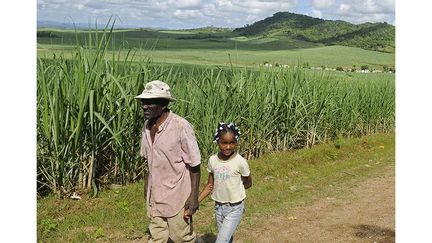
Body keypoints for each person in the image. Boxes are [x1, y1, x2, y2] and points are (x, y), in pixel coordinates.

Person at [135, 80, 201, 243]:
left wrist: (193, 196)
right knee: (157, 237)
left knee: (180, 237)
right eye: (143, 102)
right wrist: (146, 187)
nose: (144, 106)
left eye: (150, 102)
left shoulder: (180, 126)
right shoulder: (146, 126)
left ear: (163, 104)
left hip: (177, 194)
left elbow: (194, 165)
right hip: (154, 194)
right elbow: (147, 162)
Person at [198, 122, 252, 243]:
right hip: (218, 207)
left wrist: (235, 191)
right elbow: (209, 185)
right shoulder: (212, 160)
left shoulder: (240, 162)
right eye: (224, 143)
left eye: (232, 143)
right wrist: (195, 202)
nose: (228, 147)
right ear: (217, 142)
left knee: (221, 240)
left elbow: (248, 182)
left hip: (235, 208)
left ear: (236, 142)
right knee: (227, 238)